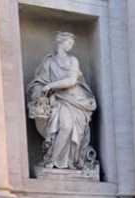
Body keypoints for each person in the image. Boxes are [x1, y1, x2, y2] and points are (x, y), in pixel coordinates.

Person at [27, 32, 97, 172]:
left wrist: (51, 86)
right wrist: (41, 91)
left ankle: (67, 160)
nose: (70, 46)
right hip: (58, 99)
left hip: (76, 100)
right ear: (60, 42)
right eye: (69, 42)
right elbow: (40, 82)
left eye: (72, 43)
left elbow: (71, 81)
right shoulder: (49, 62)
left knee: (69, 129)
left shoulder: (73, 61)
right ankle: (52, 159)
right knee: (65, 127)